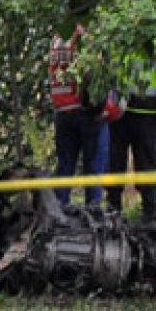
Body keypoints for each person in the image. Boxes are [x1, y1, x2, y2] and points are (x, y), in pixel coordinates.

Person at [107, 41, 156, 222]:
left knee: (147, 167)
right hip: (119, 115)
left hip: (147, 116)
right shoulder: (118, 38)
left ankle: (149, 215)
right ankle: (113, 212)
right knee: (114, 165)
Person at [48, 26, 119, 207]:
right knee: (94, 167)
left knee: (65, 167)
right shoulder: (83, 34)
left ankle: (60, 215)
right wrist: (102, 104)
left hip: (62, 111)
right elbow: (90, 73)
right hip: (86, 112)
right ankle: (93, 215)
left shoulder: (58, 37)